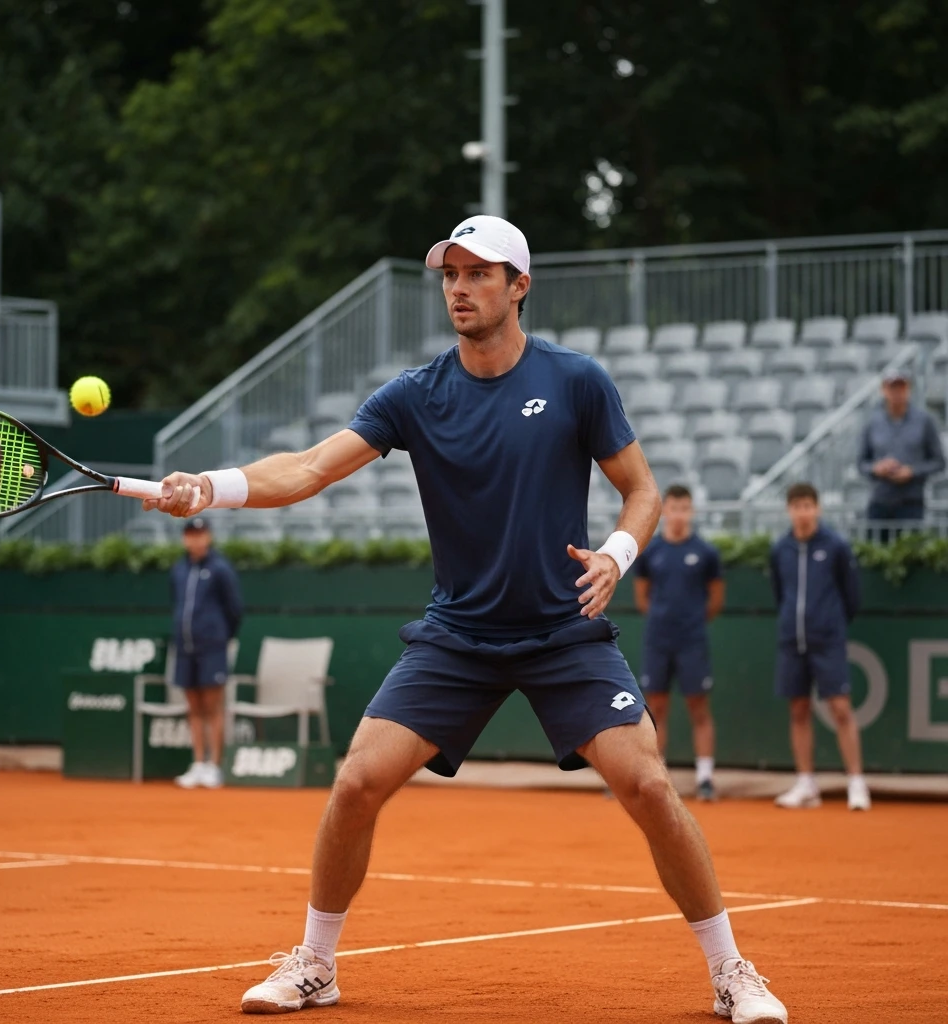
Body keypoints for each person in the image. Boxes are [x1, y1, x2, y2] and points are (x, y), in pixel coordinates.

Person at [145, 215, 788, 1022]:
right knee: (355, 781)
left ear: (519, 286)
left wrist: (616, 557)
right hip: (459, 634)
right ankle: (316, 962)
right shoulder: (415, 395)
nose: (460, 287)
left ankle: (733, 973)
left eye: (479, 273)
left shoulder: (577, 380)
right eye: (450, 274)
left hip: (563, 631)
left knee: (649, 784)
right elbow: (308, 468)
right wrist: (213, 485)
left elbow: (643, 490)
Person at [769, 483, 868, 812]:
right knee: (797, 711)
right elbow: (780, 593)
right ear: (789, 510)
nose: (803, 512)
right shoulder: (780, 548)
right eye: (797, 506)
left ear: (817, 508)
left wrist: (830, 623)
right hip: (791, 642)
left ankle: (856, 782)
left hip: (828, 641)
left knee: (841, 709)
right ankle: (806, 783)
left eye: (808, 505)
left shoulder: (837, 546)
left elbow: (851, 596)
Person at [634, 484, 724, 802]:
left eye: (685, 508)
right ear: (664, 511)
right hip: (658, 640)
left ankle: (705, 778)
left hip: (692, 641)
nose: (679, 515)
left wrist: (692, 623)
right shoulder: (653, 551)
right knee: (655, 708)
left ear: (692, 512)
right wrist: (662, 620)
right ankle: (657, 777)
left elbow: (715, 599)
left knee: (698, 707)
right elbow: (642, 596)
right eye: (673, 508)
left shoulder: (706, 553)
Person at [170, 517, 243, 789]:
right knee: (193, 707)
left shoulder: (221, 569)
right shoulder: (178, 570)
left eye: (200, 534)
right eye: (190, 534)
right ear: (184, 538)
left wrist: (221, 637)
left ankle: (214, 766)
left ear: (208, 537)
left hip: (212, 647)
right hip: (184, 647)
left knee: (213, 707)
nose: (195, 539)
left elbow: (235, 609)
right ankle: (198, 764)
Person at [858, 367, 945, 538]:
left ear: (908, 389)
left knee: (911, 556)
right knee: (875, 557)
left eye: (901, 387)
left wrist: (912, 471)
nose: (897, 392)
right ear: (884, 390)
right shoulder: (872, 423)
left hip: (911, 502)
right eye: (892, 387)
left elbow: (939, 461)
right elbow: (861, 463)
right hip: (880, 501)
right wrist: (877, 468)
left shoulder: (924, 421)